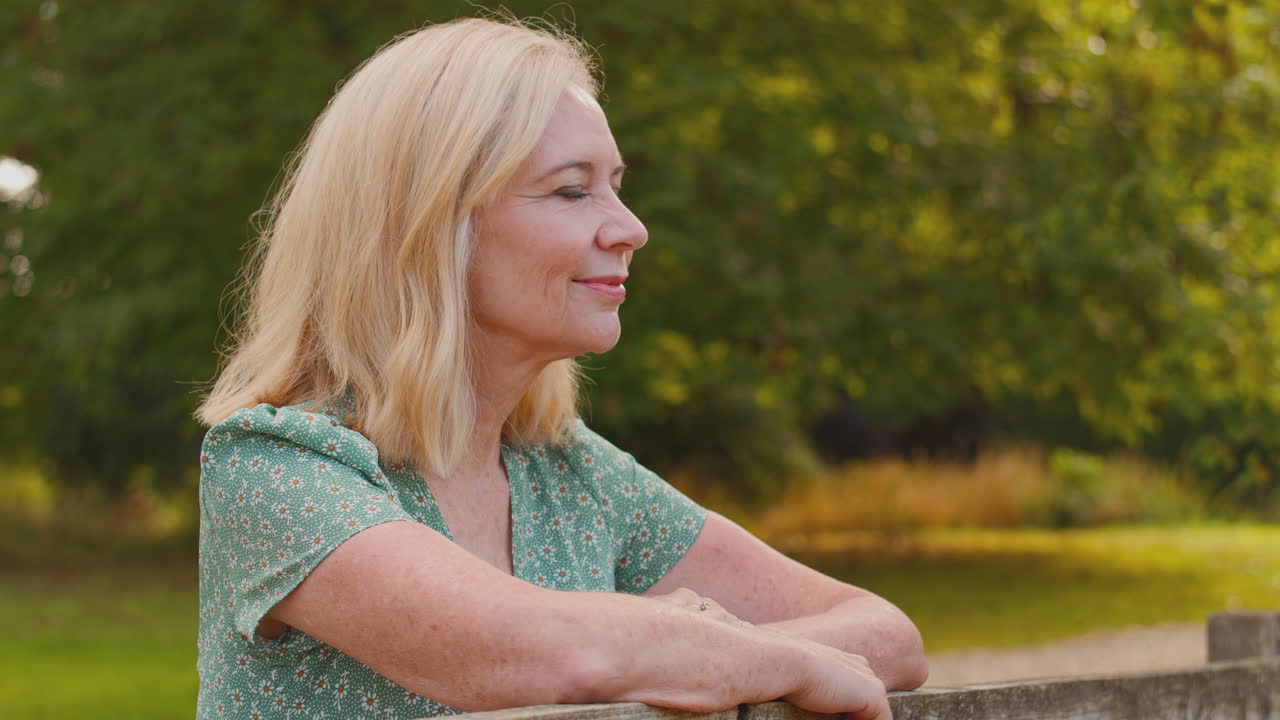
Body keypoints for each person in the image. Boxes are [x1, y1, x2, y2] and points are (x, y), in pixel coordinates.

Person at [194, 16, 926, 720]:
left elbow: (887, 635)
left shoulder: (569, 475)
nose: (631, 228)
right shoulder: (275, 469)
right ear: (430, 227)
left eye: (614, 183)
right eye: (573, 190)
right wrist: (730, 654)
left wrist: (683, 649)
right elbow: (538, 656)